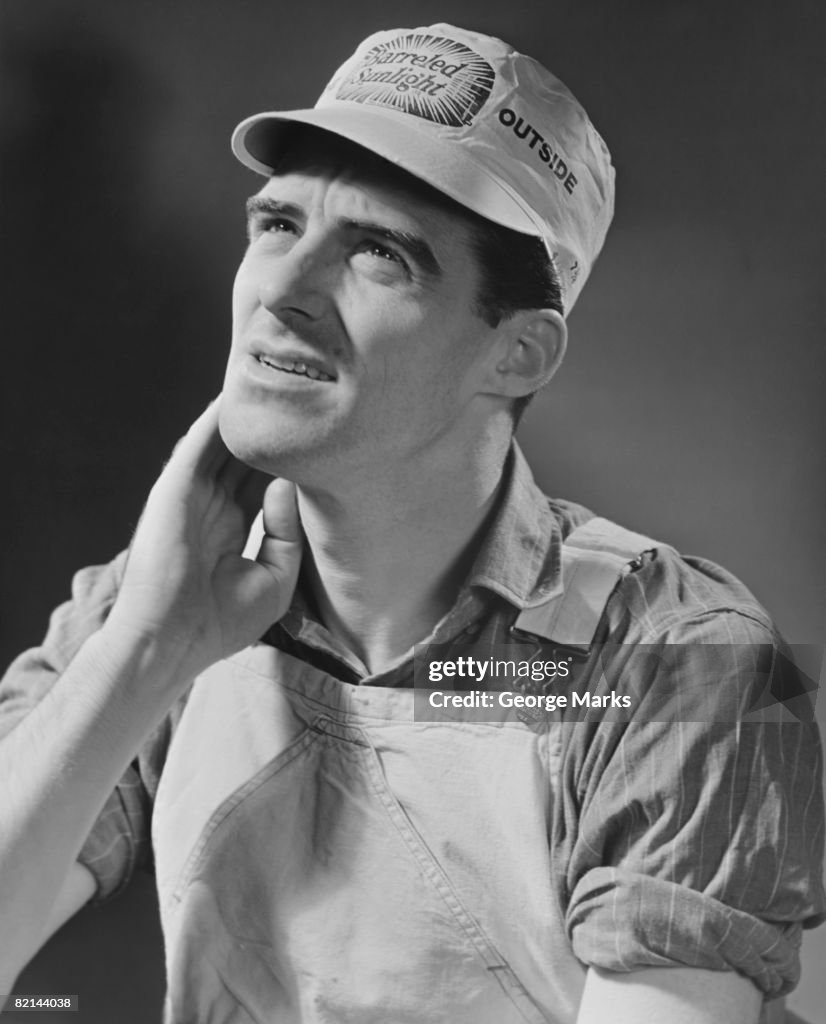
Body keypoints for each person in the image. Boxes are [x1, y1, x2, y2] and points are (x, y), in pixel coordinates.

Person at [0, 22, 823, 1024]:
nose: (284, 293)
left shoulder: (675, 664)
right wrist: (144, 649)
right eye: (276, 225)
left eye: (379, 253)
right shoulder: (157, 608)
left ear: (517, 354)